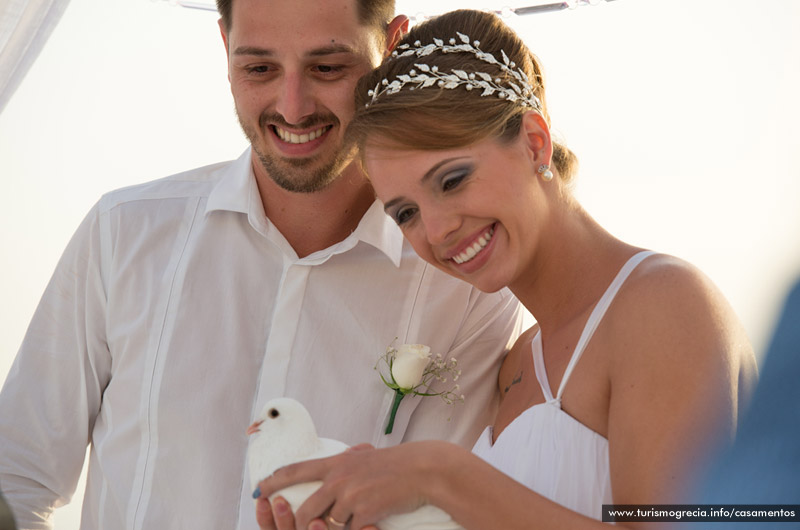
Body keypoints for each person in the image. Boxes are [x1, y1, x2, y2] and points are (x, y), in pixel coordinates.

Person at [0, 2, 524, 529]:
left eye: (327, 68)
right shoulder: (122, 234)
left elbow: (433, 516)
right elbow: (17, 476)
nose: (293, 108)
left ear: (388, 47)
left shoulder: (467, 291)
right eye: (259, 68)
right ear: (225, 46)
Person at [255, 9, 759, 530]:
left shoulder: (662, 305)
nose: (436, 229)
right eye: (405, 213)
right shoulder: (517, 361)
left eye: (451, 180)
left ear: (534, 143)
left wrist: (443, 477)